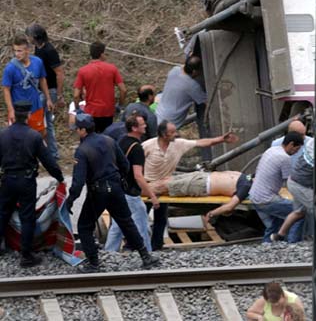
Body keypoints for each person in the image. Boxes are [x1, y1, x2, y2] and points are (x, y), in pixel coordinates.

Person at [66, 113, 159, 273]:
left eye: (78, 129)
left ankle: (94, 263)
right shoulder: (109, 141)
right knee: (127, 222)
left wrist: (70, 200)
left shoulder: (82, 150)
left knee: (84, 226)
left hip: (97, 192)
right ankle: (146, 256)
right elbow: (125, 165)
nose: (77, 132)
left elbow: (78, 182)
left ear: (82, 130)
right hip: (116, 189)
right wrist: (119, 179)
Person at [142, 120, 238, 250]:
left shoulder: (178, 144)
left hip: (165, 186)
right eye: (172, 132)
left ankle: (156, 246)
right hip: (147, 186)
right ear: (164, 135)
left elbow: (202, 142)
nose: (176, 134)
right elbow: (134, 163)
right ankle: (136, 245)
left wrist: (221, 139)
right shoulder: (148, 145)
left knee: (161, 218)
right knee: (140, 216)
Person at [0, 100, 64, 267]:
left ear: (14, 115)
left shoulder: (3, 134)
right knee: (27, 217)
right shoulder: (34, 136)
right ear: (28, 116)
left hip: (7, 180)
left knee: (2, 213)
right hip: (26, 181)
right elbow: (48, 161)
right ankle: (26, 255)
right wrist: (59, 177)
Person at [104, 114, 160, 252]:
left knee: (117, 226)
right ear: (135, 128)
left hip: (118, 190)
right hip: (130, 193)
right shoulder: (136, 148)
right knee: (142, 226)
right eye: (142, 124)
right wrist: (152, 195)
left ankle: (109, 254)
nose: (145, 126)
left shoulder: (122, 140)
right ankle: (147, 255)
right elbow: (138, 176)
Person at [249, 132, 304, 243]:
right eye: (296, 149)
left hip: (254, 196)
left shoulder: (271, 150)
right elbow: (290, 183)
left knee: (275, 224)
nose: (296, 153)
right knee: (299, 213)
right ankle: (292, 245)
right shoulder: (285, 158)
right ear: (291, 144)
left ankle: (267, 246)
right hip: (266, 199)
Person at [155, 56, 210, 159]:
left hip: (160, 111)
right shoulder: (192, 86)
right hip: (170, 120)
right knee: (160, 148)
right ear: (194, 71)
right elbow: (207, 102)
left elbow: (183, 66)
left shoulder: (175, 70)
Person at [25, 24, 65, 160]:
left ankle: (48, 153)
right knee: (44, 122)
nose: (28, 38)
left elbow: (59, 73)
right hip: (40, 90)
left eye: (29, 35)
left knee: (41, 121)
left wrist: (59, 95)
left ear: (36, 36)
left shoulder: (49, 50)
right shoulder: (38, 48)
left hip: (50, 91)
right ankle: (50, 153)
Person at [2, 35, 53, 135]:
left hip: (36, 107)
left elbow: (42, 80)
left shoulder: (37, 62)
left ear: (27, 50)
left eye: (20, 51)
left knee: (41, 134)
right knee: (17, 138)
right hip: (18, 112)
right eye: (15, 50)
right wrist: (11, 110)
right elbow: (6, 89)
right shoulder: (10, 68)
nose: (17, 54)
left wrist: (48, 98)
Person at [73, 41, 127, 133]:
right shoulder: (112, 69)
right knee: (106, 137)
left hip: (91, 111)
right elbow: (123, 90)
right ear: (102, 54)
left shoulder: (83, 71)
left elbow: (76, 95)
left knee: (91, 138)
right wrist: (120, 105)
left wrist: (77, 109)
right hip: (108, 111)